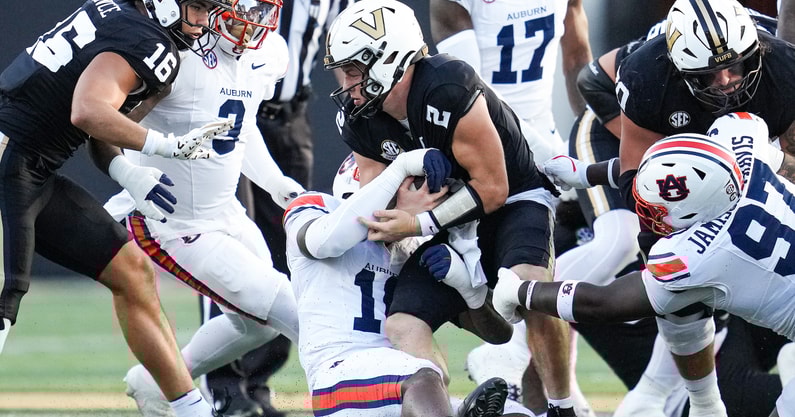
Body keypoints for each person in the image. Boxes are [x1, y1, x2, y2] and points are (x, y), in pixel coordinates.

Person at [324, 0, 576, 415]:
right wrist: (408, 215)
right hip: (442, 228)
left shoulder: (448, 85)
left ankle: (563, 407)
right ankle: (445, 409)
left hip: (512, 201)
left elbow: (494, 189)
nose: (346, 83)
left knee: (531, 290)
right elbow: (374, 203)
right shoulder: (359, 119)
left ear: (388, 59)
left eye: (353, 70)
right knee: (402, 326)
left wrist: (417, 220)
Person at [0, 1, 235, 416]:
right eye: (198, 7)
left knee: (132, 272)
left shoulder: (123, 15)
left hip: (30, 168)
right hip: (8, 160)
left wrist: (128, 173)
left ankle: (191, 410)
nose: (203, 23)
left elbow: (97, 114)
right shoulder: (147, 39)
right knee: (4, 299)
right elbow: (89, 110)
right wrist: (167, 146)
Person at [492, 112, 795, 417]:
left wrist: (522, 292)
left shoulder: (698, 254)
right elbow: (665, 167)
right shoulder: (742, 146)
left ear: (688, 214)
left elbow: (603, 303)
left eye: (656, 210)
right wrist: (587, 174)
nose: (650, 218)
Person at [100, 2, 306, 416]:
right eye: (246, 11)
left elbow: (239, 123)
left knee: (257, 326)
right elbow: (104, 118)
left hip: (226, 211)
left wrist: (273, 182)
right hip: (173, 223)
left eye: (264, 11)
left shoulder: (268, 53)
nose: (255, 25)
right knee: (298, 309)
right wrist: (128, 172)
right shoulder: (173, 52)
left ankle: (155, 382)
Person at [428, 1, 594, 414]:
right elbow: (472, 88)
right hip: (484, 151)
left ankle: (544, 383)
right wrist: (552, 154)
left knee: (561, 269)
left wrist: (590, 134)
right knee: (498, 287)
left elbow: (577, 59)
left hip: (544, 142)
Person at [284, 147, 520, 417]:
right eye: (405, 189)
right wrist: (400, 182)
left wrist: (468, 288)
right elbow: (325, 242)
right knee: (423, 377)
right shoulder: (316, 208)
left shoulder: (415, 247)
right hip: (337, 375)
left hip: (399, 382)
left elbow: (500, 333)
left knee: (514, 411)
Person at [202, 1, 348, 414]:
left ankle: (257, 383)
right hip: (225, 114)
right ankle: (225, 386)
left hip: (290, 118)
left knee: (290, 254)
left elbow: (349, 40)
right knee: (224, 245)